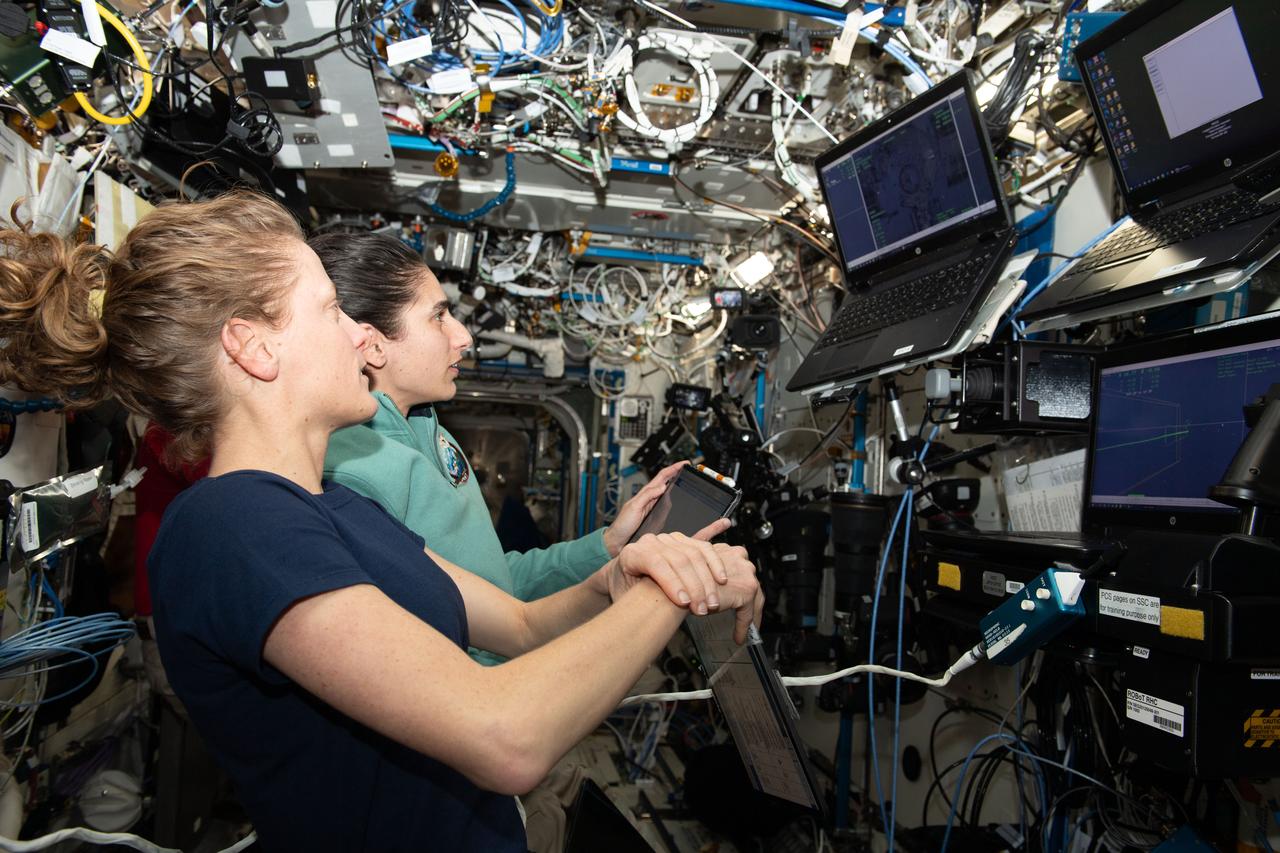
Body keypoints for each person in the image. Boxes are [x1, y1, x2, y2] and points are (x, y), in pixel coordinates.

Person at [0, 191, 762, 852]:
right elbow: (506, 734)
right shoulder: (233, 526)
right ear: (253, 346)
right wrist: (673, 591)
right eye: (330, 310)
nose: (357, 338)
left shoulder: (333, 511)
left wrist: (624, 570)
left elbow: (524, 624)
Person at [310, 232, 705, 667]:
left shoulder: (425, 428)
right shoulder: (350, 473)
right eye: (438, 317)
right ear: (375, 345)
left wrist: (609, 545)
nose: (463, 336)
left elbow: (494, 583)